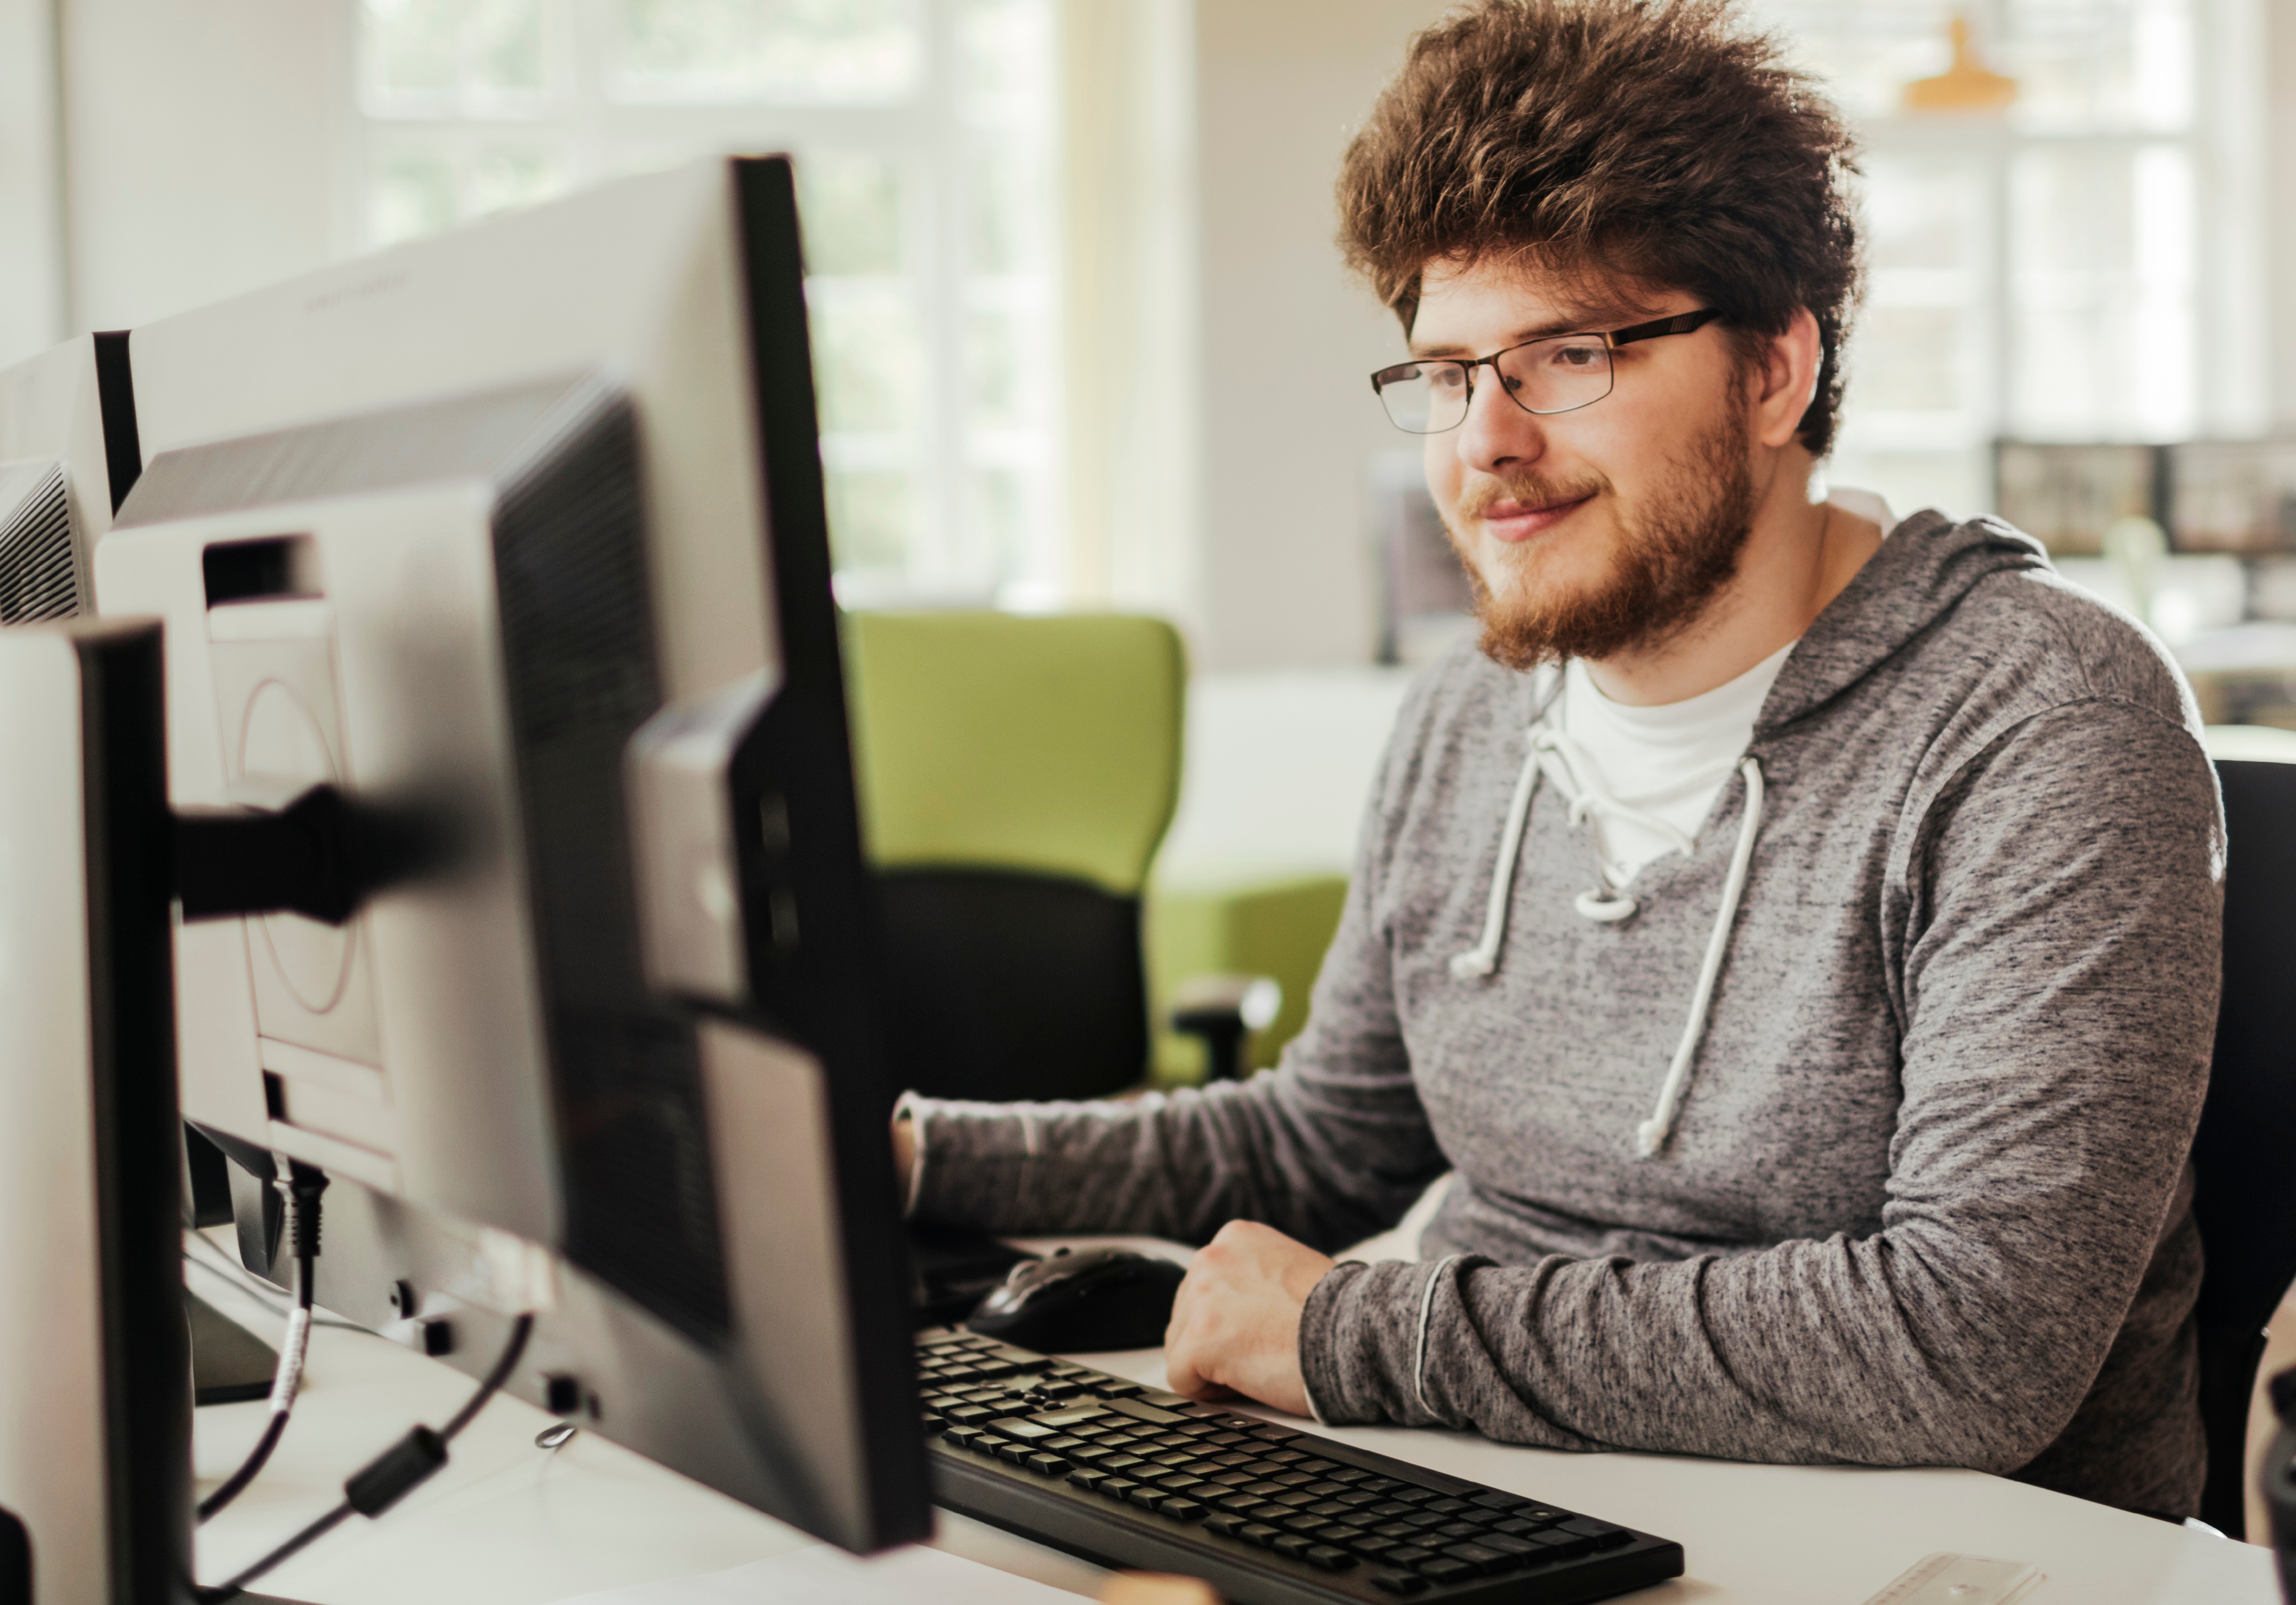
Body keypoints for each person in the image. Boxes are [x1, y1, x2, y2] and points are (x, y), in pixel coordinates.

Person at [898, 0, 2225, 1519]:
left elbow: (1971, 1343)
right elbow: (1330, 1140)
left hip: (1926, 1573)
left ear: (1777, 370)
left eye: (1567, 355)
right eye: (1448, 373)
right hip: (1503, 1495)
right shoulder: (1471, 713)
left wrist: (1350, 1332)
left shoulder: (2038, 723)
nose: (1485, 443)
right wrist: (915, 1161)